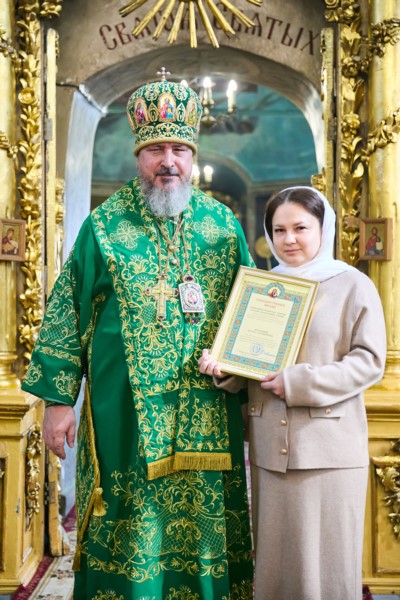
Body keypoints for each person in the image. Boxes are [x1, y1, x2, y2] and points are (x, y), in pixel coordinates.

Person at [22, 75, 254, 599]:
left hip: (208, 408)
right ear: (138, 156)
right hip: (123, 417)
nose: (168, 162)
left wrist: (248, 383)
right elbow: (65, 315)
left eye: (178, 150)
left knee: (205, 530)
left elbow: (251, 311)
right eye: (155, 150)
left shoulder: (222, 225)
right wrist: (58, 403)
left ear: (192, 156)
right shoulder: (103, 227)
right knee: (132, 528)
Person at [199, 186, 387, 600]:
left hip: (329, 451)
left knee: (327, 569)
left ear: (324, 228)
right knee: (277, 569)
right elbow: (252, 364)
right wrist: (225, 369)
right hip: (271, 451)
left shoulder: (353, 285)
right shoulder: (260, 287)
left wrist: (297, 383)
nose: (289, 239)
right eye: (278, 230)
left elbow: (369, 361)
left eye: (300, 228)